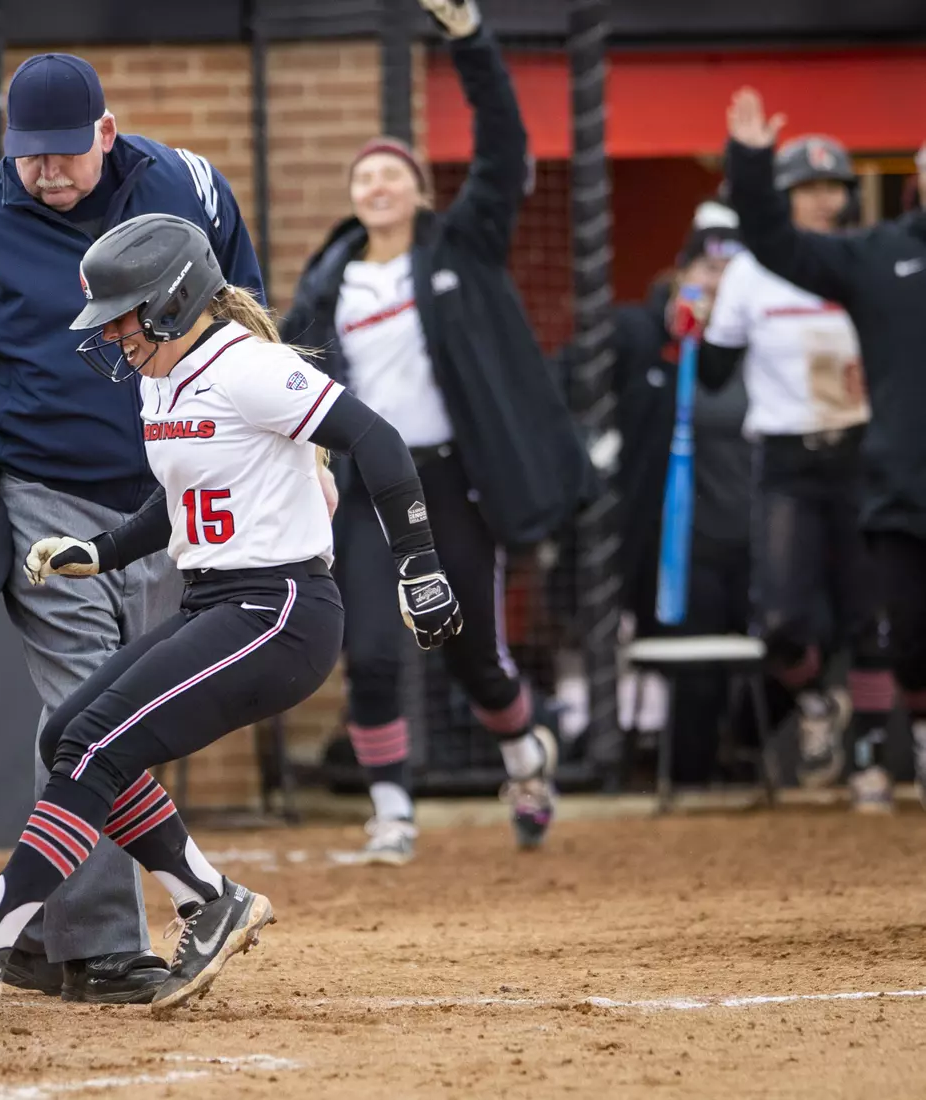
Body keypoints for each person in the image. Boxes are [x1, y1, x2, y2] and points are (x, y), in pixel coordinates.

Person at [0, 212, 459, 1013]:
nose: (112, 334)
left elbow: (378, 441)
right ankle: (208, 899)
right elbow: (175, 500)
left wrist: (419, 567)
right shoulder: (161, 378)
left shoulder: (248, 366)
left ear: (175, 301)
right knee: (65, 732)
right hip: (218, 597)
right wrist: (99, 551)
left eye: (123, 315)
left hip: (280, 607)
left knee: (90, 749)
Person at [0, 50, 262, 1003]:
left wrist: (268, 446)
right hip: (45, 501)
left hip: (172, 495)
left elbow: (246, 314)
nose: (45, 172)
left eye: (64, 153)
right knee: (84, 713)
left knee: (110, 725)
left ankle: (42, 936)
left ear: (106, 132)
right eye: (27, 156)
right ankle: (103, 945)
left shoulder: (190, 188)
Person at [280, 0, 588, 861]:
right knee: (371, 651)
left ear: (418, 188)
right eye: (362, 178)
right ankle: (391, 812)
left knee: (467, 657)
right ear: (351, 199)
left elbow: (502, 151)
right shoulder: (327, 286)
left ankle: (526, 755)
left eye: (391, 174)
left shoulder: (462, 248)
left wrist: (469, 40)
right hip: (372, 487)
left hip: (453, 482)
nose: (375, 186)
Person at [724, 89, 924, 808]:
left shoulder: (862, 255)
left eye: (829, 189)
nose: (819, 201)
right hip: (802, 457)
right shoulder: (794, 266)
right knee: (790, 618)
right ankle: (824, 714)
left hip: (863, 454)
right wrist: (747, 165)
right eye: (803, 188)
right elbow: (718, 358)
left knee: (873, 619)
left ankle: (872, 752)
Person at [612, 202, 753, 783]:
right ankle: (693, 775)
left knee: (791, 644)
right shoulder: (641, 333)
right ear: (684, 270)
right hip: (675, 536)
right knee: (694, 668)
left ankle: (741, 748)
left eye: (733, 272)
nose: (718, 283)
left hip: (753, 527)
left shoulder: (758, 342)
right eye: (708, 267)